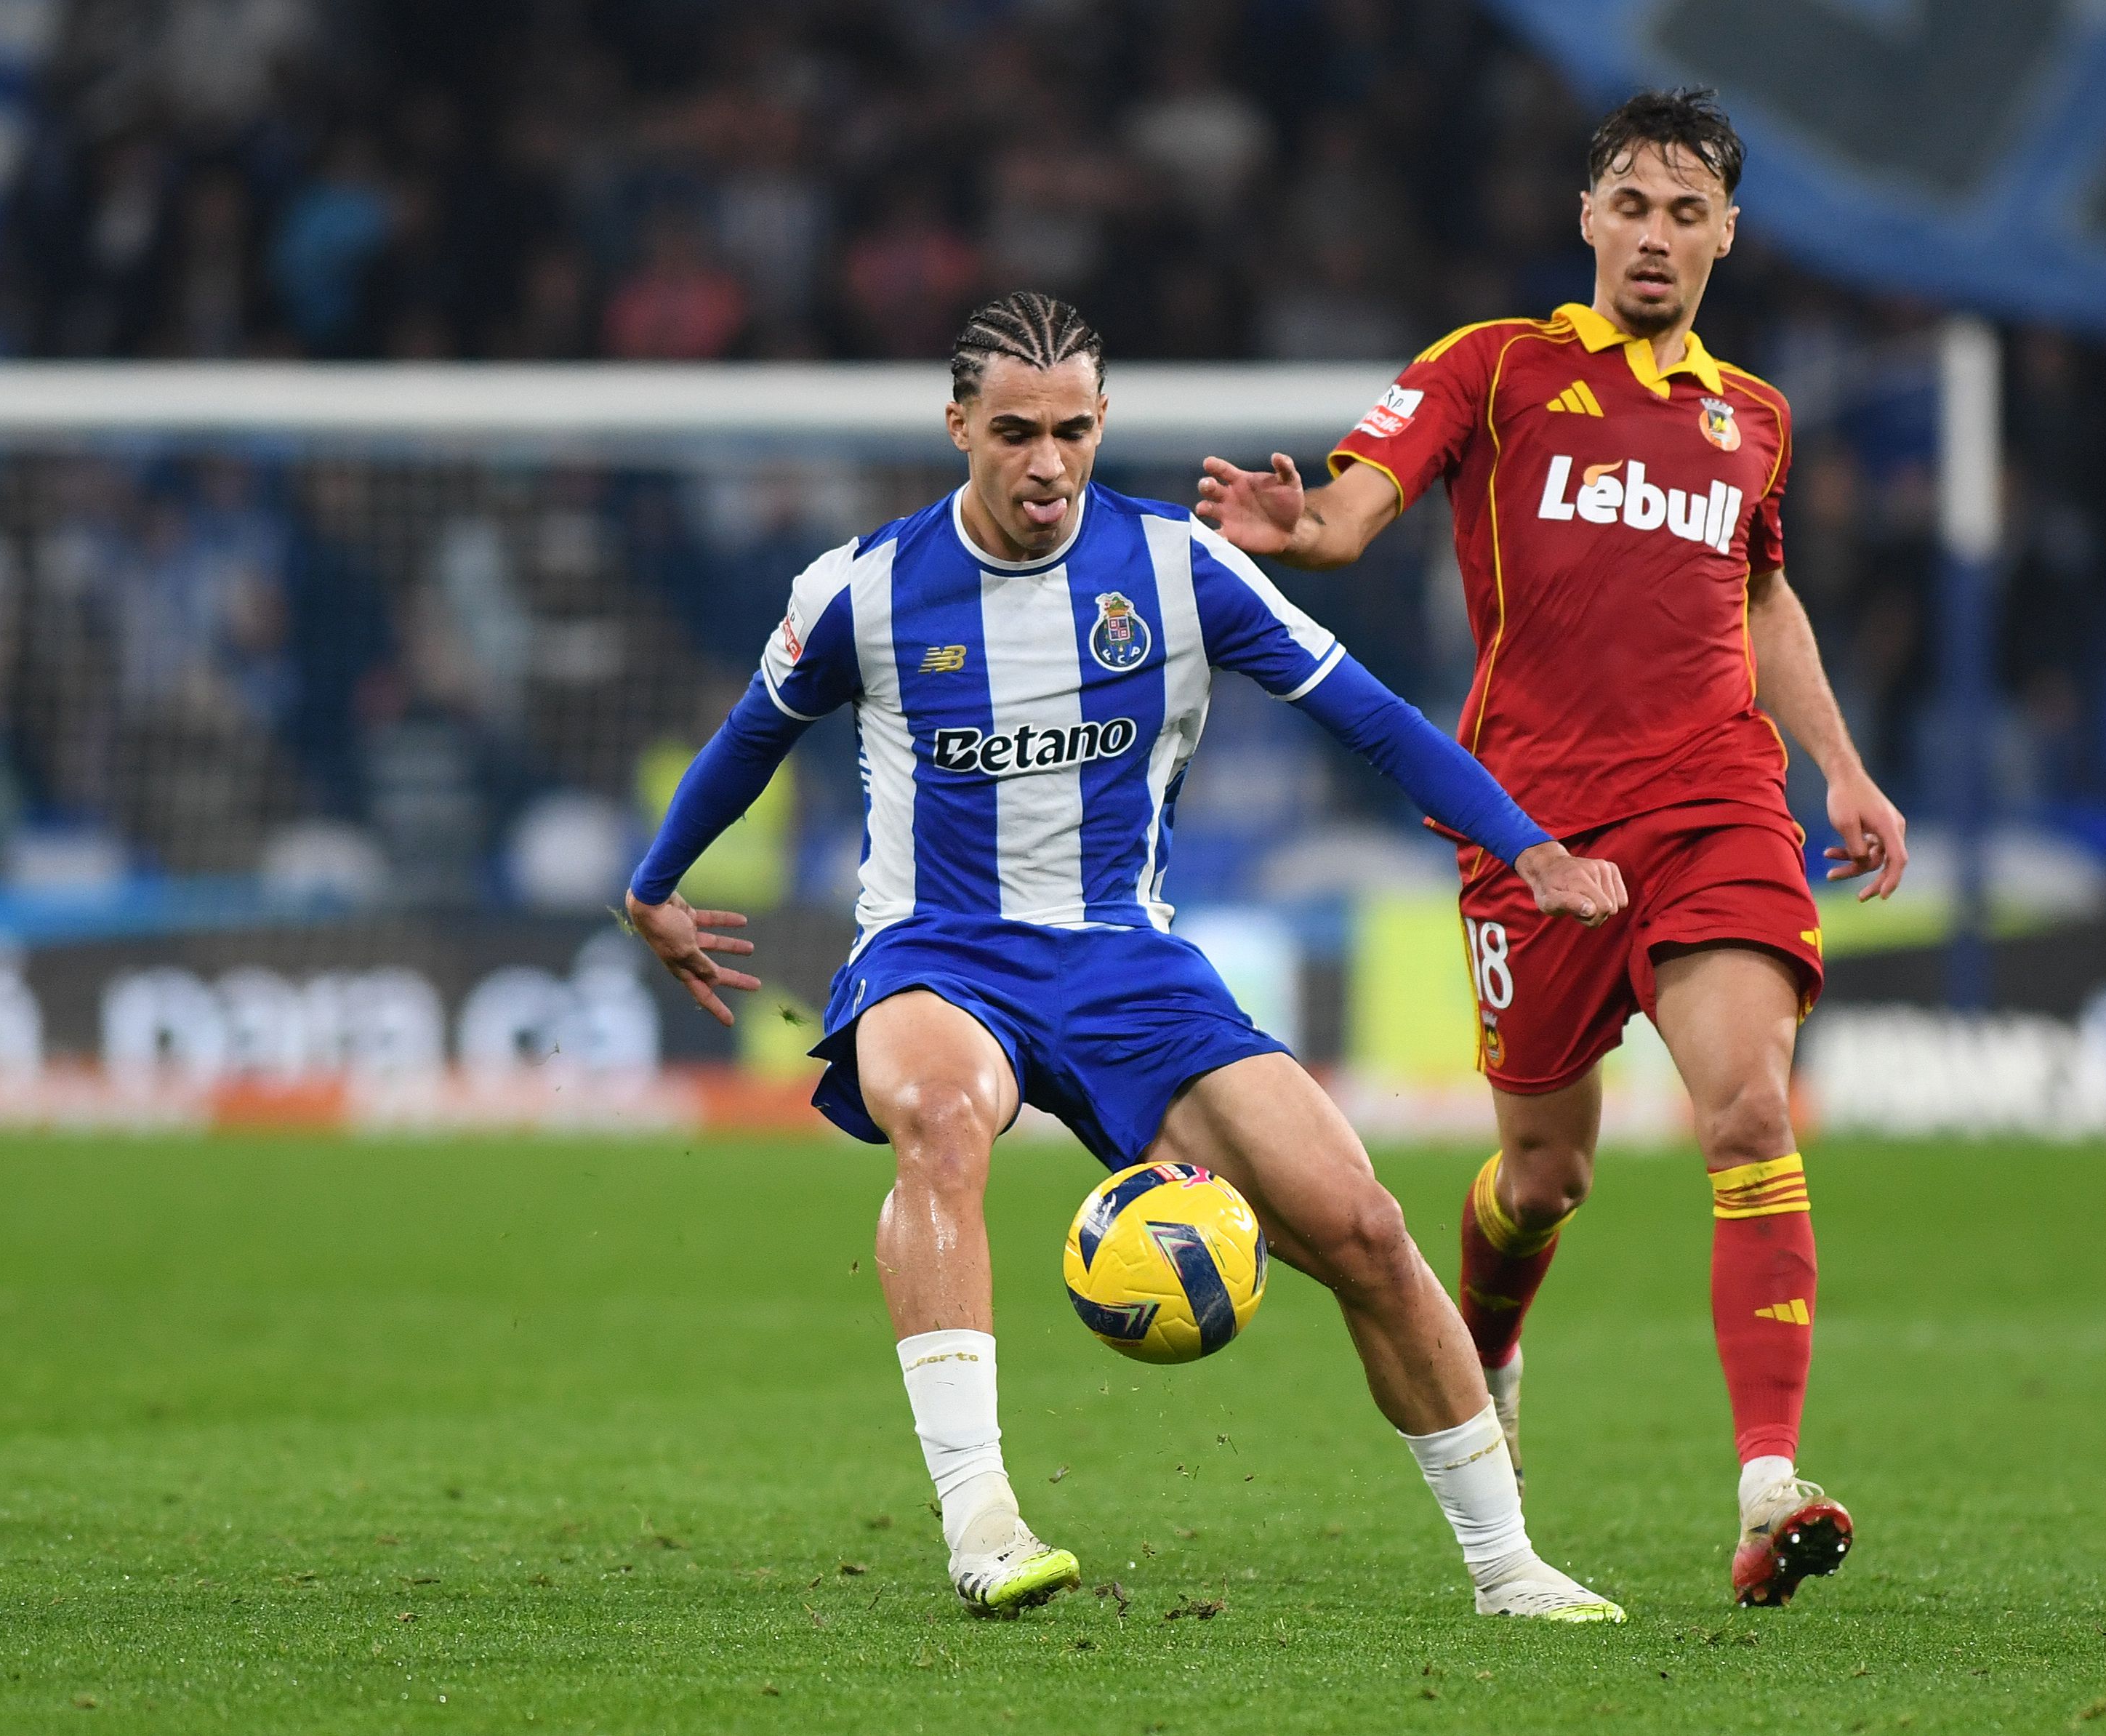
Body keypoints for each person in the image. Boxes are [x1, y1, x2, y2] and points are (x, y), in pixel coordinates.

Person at [624, 292, 1632, 1623]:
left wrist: (1529, 847)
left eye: (1074, 431)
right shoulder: (860, 588)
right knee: (938, 1116)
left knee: (1366, 1230)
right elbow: (748, 739)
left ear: (1104, 426)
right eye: (1015, 432)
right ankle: (982, 1518)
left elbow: (1373, 719)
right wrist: (653, 887)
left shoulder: (1180, 568)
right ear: (956, 427)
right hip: (938, 950)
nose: (1047, 463)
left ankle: (1508, 1568)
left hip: (1126, 964)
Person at [1194, 89, 1909, 1608]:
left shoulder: (1755, 421)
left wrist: (1837, 765)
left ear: (1727, 234)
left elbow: (1762, 602)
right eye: (1631, 206)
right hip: (1532, 826)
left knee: (1747, 1115)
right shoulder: (1497, 366)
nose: (1656, 236)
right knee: (1543, 1172)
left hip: (1718, 799)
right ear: (1588, 218)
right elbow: (1351, 511)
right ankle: (1493, 1349)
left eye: (1686, 211)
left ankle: (1770, 1484)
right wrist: (1300, 525)